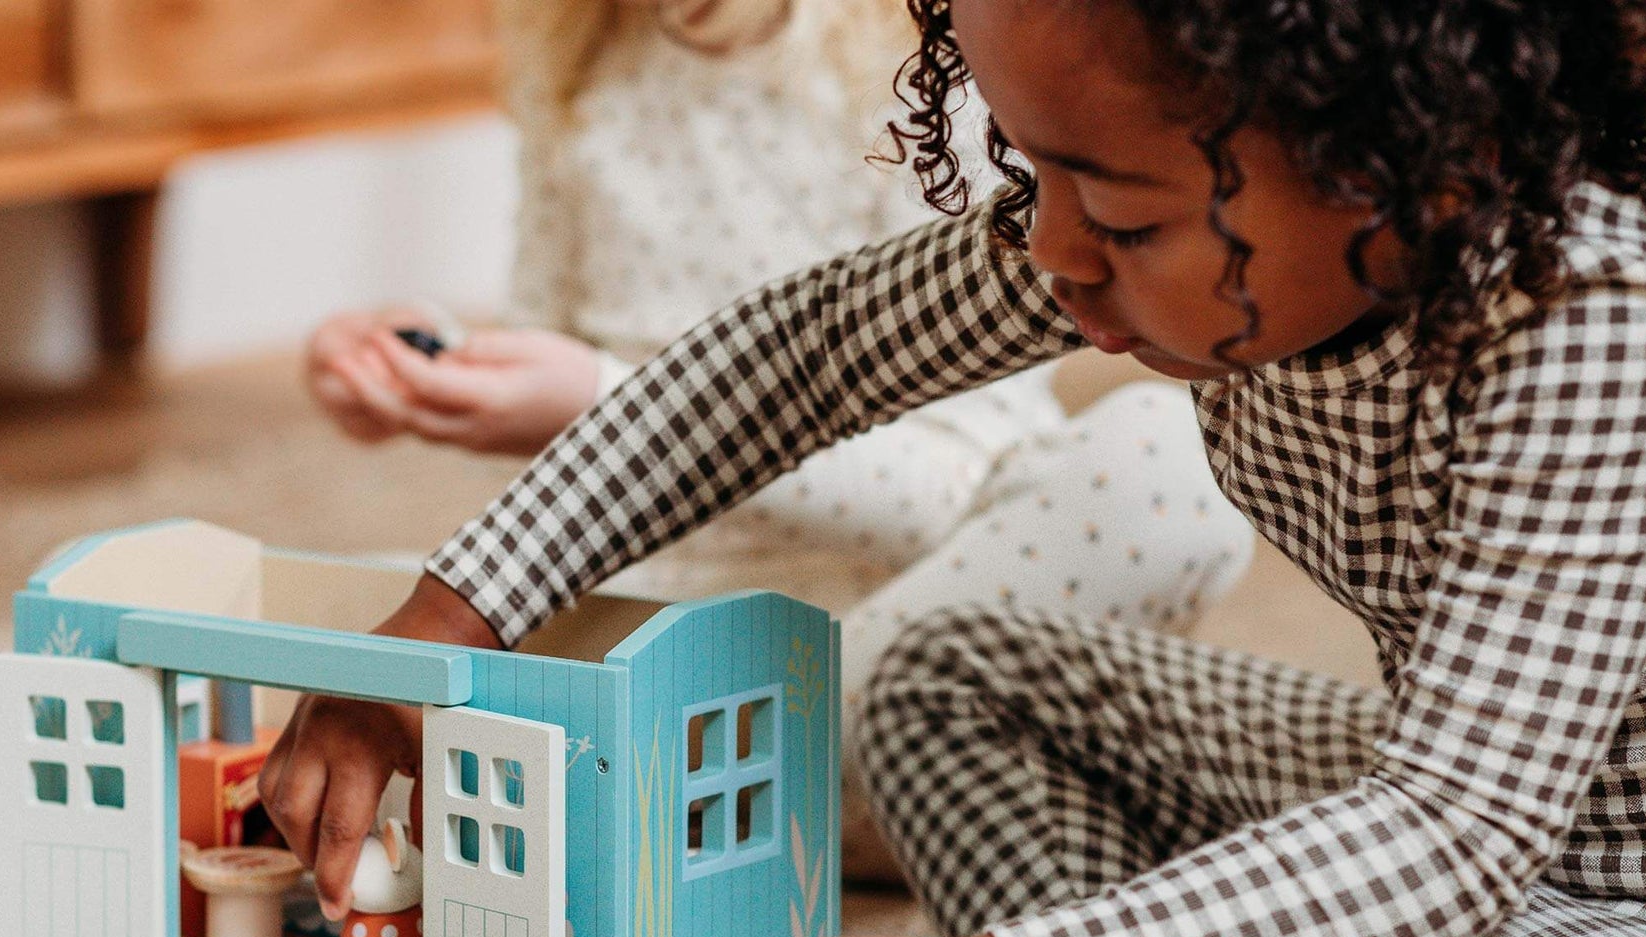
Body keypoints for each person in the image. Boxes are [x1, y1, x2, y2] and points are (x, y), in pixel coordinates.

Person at [265, 0, 1646, 937]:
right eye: (1036, 178)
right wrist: (446, 627)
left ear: (1399, 164)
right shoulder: (1222, 194)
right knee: (943, 675)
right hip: (1463, 788)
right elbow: (801, 354)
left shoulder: (1607, 293)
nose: (1051, 252)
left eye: (1118, 217)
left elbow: (1452, 831)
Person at [302, 0, 1252, 879]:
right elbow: (560, 415)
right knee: (297, 636)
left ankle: (640, 812)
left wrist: (599, 397)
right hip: (654, 638)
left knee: (1167, 473)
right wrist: (429, 367)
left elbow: (953, 491)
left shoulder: (931, 68)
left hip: (878, 648)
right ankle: (657, 814)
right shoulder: (583, 59)